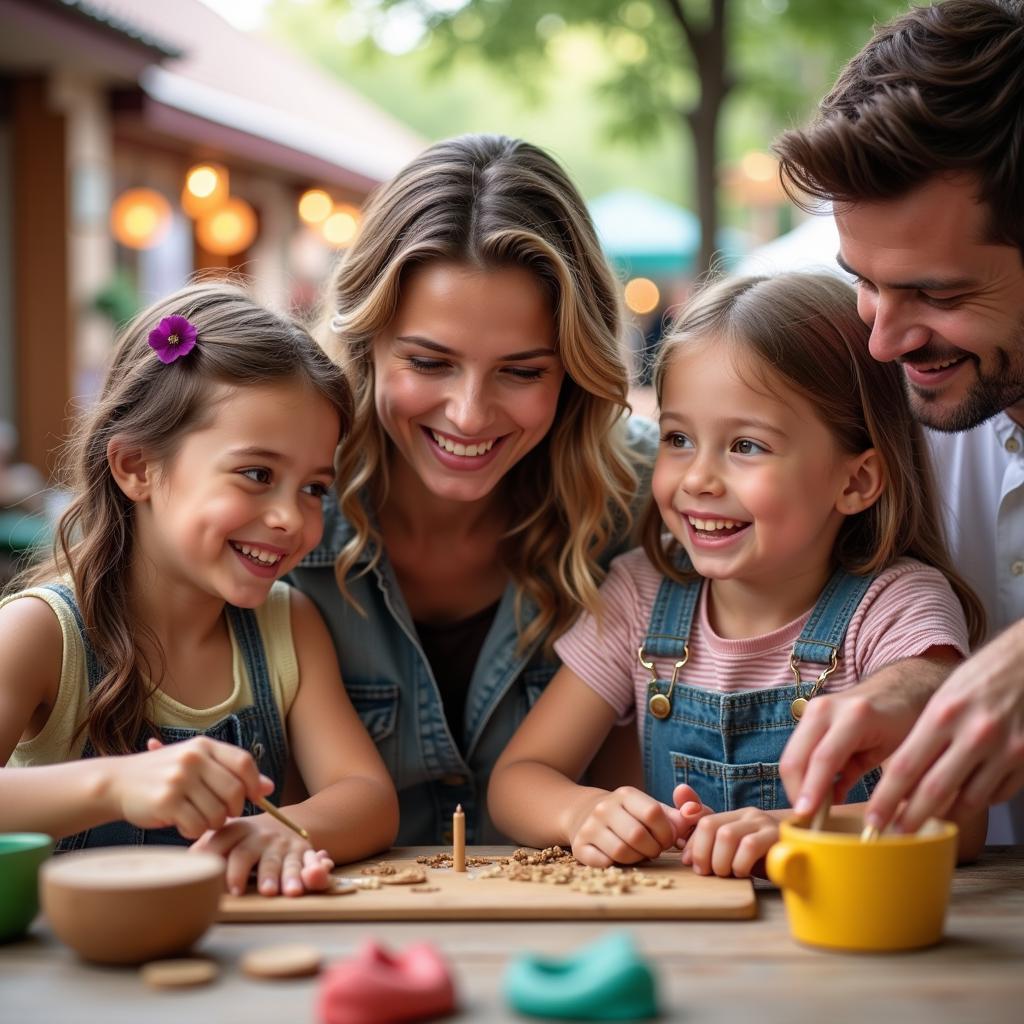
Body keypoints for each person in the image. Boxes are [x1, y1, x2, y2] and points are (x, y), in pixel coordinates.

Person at [488, 272, 988, 875]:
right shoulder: (638, 595)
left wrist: (794, 832)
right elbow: (518, 779)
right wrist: (581, 814)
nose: (698, 478)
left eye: (746, 446)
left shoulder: (897, 608)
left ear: (855, 481)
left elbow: (958, 821)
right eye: (677, 437)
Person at [289, 134, 656, 845]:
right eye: (429, 362)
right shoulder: (282, 504)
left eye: (521, 372)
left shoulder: (649, 504)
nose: (468, 414)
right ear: (367, 343)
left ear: (575, 370)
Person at [0, 282, 399, 896]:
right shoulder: (40, 634)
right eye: (257, 474)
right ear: (136, 466)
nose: (293, 519)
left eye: (314, 487)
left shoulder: (288, 626)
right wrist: (116, 785)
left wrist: (290, 829)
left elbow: (368, 797)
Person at [773, 0, 1024, 843]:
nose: (882, 339)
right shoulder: (895, 412)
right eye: (865, 281)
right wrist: (917, 686)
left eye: (938, 294)